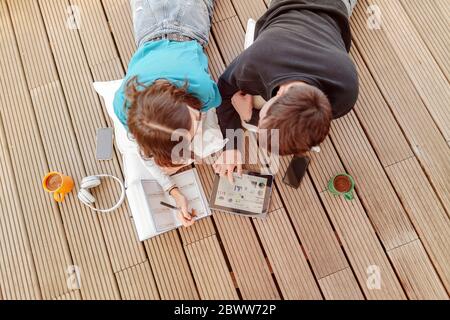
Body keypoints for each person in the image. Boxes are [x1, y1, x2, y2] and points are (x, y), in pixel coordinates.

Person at [213, 0, 359, 181]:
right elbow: (223, 90)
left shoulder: (346, 89)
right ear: (279, 94)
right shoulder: (256, 61)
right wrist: (234, 144)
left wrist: (249, 118)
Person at [113, 0, 221, 227]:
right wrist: (174, 191)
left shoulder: (201, 88)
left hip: (184, 25)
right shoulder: (123, 106)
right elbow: (146, 153)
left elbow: (149, 153)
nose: (199, 118)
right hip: (152, 26)